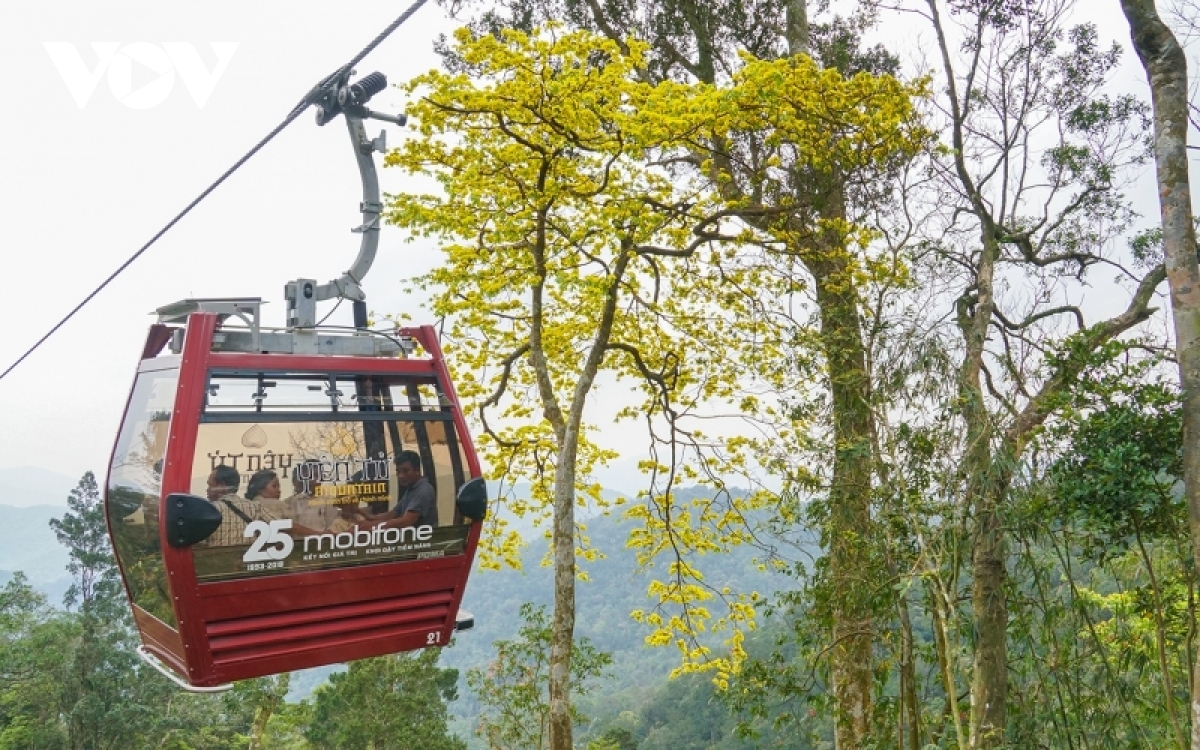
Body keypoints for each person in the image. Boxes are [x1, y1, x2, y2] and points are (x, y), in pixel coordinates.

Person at [203, 465, 318, 547]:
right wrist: (320, 534)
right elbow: (284, 525)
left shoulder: (210, 511)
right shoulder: (254, 507)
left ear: (222, 485)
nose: (207, 490)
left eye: (210, 485)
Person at [355, 451, 437, 530]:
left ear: (417, 471)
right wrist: (364, 515)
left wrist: (372, 527)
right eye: (398, 471)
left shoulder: (423, 490)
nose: (400, 475)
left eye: (405, 471)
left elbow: (406, 521)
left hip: (423, 542)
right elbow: (392, 514)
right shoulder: (411, 489)